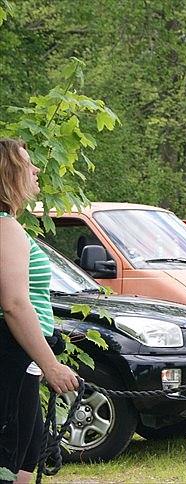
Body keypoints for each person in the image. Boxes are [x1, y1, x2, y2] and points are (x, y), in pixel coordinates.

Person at [0, 138, 79, 483]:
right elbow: (14, 304)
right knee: (9, 459)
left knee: (25, 460)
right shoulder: (5, 228)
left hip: (22, 358)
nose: (36, 171)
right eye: (27, 164)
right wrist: (51, 365)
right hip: (11, 357)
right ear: (8, 174)